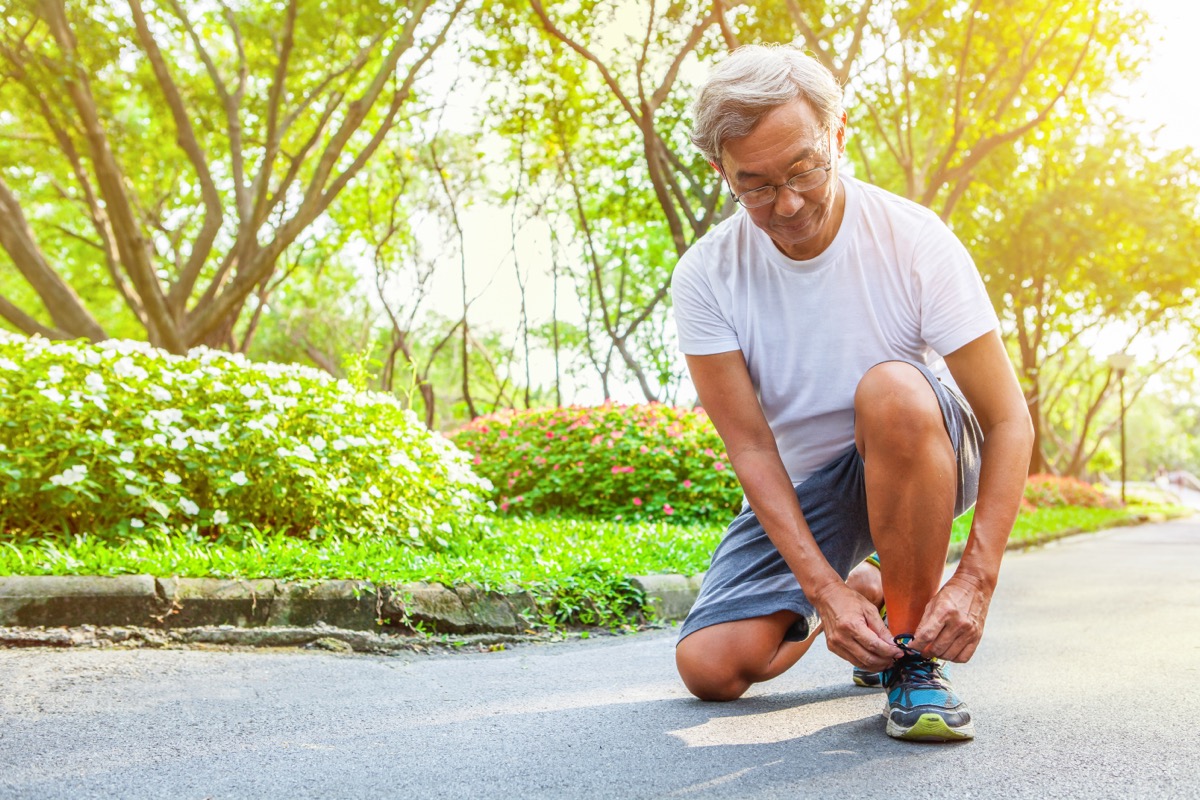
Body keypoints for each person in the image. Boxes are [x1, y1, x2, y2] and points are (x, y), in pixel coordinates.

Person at [670, 44, 1034, 742]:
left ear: (839, 135)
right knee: (710, 669)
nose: (789, 202)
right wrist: (825, 591)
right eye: (756, 186)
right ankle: (865, 585)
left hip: (918, 448)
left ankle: (913, 660)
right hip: (813, 492)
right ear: (722, 173)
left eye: (805, 167)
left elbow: (1008, 418)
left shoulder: (914, 240)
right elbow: (749, 446)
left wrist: (976, 578)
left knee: (893, 389)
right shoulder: (707, 275)